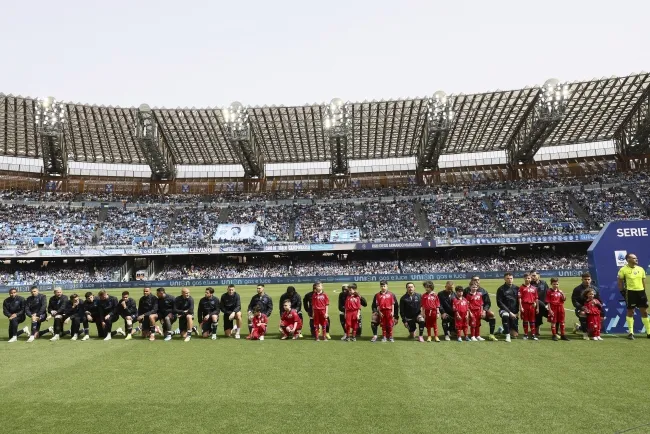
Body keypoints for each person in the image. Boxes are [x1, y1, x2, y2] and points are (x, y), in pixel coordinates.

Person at [617, 252, 648, 340]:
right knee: (631, 312)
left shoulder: (641, 269)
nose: (636, 259)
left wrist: (644, 292)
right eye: (634, 258)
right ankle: (631, 332)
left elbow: (643, 281)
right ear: (628, 260)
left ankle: (649, 332)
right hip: (630, 292)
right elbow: (620, 282)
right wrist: (622, 291)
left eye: (636, 258)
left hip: (641, 292)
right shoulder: (623, 269)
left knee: (644, 312)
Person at [464, 276, 497, 341]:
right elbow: (463, 302)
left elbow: (487, 303)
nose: (476, 281)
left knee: (491, 315)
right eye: (474, 280)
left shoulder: (483, 291)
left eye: (478, 280)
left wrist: (484, 311)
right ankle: (455, 331)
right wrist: (467, 312)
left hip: (480, 311)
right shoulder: (466, 291)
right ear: (471, 281)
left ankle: (491, 334)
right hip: (470, 311)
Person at [571, 272, 604, 338]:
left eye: (588, 279)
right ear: (582, 280)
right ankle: (584, 333)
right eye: (585, 279)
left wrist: (600, 309)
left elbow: (599, 300)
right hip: (582, 309)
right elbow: (574, 301)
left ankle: (579, 327)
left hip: (593, 309)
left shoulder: (595, 289)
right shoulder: (577, 289)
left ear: (591, 279)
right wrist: (581, 307)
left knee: (601, 316)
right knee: (583, 314)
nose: (587, 281)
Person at [496, 272, 519, 343]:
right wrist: (509, 312)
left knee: (515, 335)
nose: (510, 280)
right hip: (504, 310)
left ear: (513, 279)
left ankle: (501, 330)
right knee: (505, 315)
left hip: (514, 312)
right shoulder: (501, 289)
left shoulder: (517, 288)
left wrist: (517, 312)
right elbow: (499, 303)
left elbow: (519, 301)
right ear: (504, 279)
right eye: (508, 278)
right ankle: (507, 336)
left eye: (511, 278)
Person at [518, 274, 539, 341]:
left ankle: (533, 334)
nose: (527, 279)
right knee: (525, 320)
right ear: (524, 278)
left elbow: (536, 298)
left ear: (531, 279)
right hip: (525, 305)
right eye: (526, 278)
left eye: (529, 278)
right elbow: (519, 298)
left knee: (532, 320)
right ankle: (525, 334)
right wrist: (521, 307)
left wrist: (537, 307)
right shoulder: (521, 287)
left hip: (532, 306)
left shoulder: (534, 288)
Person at [531, 271, 550, 337]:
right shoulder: (530, 284)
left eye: (534, 275)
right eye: (531, 276)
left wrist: (548, 304)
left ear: (538, 276)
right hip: (535, 306)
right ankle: (535, 330)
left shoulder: (544, 283)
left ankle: (555, 332)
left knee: (553, 316)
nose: (532, 277)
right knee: (537, 317)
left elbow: (548, 293)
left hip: (545, 305)